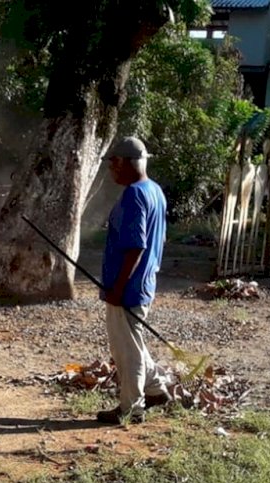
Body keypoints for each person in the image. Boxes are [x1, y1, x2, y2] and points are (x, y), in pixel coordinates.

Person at [97, 136, 170, 425]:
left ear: (128, 163)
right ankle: (155, 391)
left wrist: (117, 287)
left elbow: (136, 246)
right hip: (143, 283)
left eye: (114, 163)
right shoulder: (155, 191)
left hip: (127, 288)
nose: (111, 170)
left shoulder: (134, 195)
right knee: (133, 343)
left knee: (126, 351)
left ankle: (131, 408)